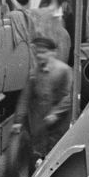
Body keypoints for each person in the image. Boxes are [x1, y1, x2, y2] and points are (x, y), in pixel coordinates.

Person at [13, 35, 72, 163]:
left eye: (43, 52)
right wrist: (18, 121)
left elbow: (70, 96)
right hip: (40, 124)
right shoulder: (34, 73)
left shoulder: (64, 70)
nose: (39, 56)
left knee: (57, 155)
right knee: (38, 155)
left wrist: (55, 114)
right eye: (38, 53)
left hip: (60, 123)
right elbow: (25, 98)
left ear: (53, 53)